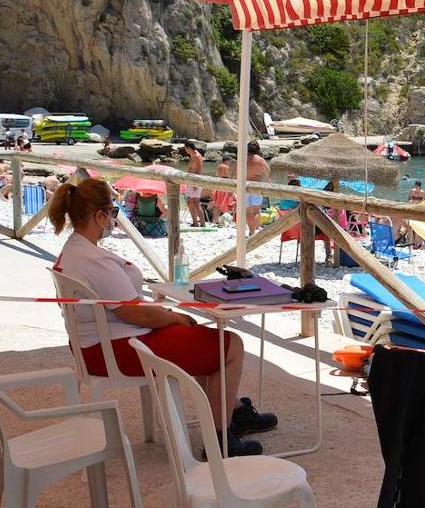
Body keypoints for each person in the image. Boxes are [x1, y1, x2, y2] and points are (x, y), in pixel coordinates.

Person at [49, 178, 277, 456]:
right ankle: (220, 441)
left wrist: (165, 314)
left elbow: (125, 307)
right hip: (116, 347)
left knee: (206, 342)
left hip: (96, 344)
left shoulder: (74, 251)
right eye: (112, 212)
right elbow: (134, 312)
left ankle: (236, 412)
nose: (113, 220)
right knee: (229, 346)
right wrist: (172, 317)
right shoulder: (94, 260)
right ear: (99, 215)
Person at [243, 142, 270, 235]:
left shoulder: (243, 159)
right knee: (255, 211)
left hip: (246, 186)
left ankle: (251, 230)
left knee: (247, 211)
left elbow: (234, 173)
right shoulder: (261, 160)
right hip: (257, 186)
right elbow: (268, 173)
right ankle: (253, 231)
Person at [183, 140, 205, 227]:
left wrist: (196, 184)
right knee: (189, 202)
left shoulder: (197, 156)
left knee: (196, 202)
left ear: (188, 148)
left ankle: (202, 224)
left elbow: (199, 170)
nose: (185, 150)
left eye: (185, 148)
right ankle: (195, 222)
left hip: (196, 181)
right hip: (191, 181)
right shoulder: (192, 156)